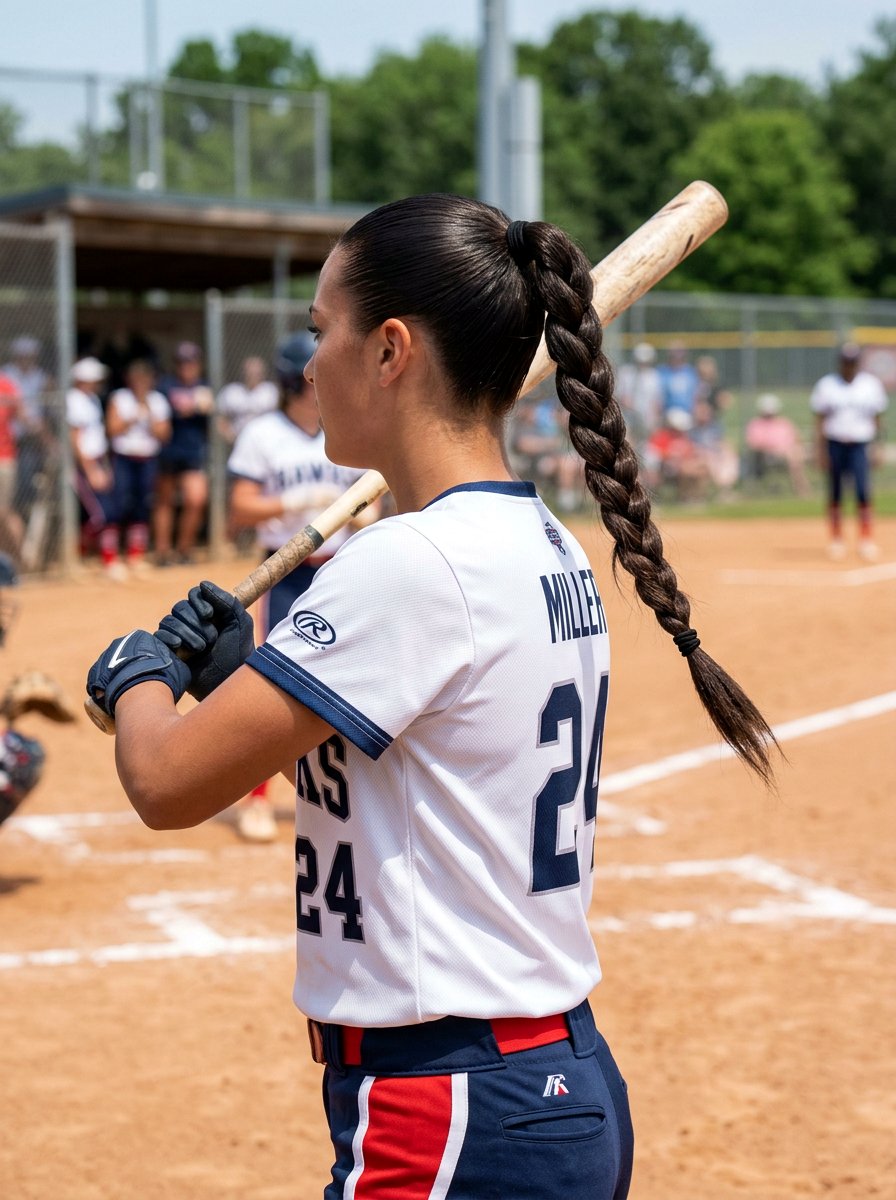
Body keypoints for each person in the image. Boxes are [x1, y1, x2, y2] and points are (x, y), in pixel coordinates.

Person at [87, 194, 775, 1200]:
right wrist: (249, 666)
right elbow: (407, 753)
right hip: (534, 1081)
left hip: (450, 1108)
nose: (309, 362)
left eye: (324, 333)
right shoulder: (536, 540)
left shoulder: (406, 564)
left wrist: (137, 676)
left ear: (390, 351)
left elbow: (163, 780)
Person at [225, 332, 378, 842]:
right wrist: (290, 504)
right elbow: (239, 507)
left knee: (356, 680)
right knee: (273, 685)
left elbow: (373, 498)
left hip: (343, 568)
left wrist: (364, 518)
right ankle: (259, 799)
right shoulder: (262, 433)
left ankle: (357, 795)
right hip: (285, 570)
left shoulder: (346, 429)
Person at [810, 342, 889, 560]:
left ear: (858, 363)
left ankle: (865, 540)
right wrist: (819, 450)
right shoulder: (827, 385)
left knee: (863, 492)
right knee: (835, 493)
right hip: (834, 443)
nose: (849, 367)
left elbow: (877, 418)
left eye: (853, 362)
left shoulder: (870, 385)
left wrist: (879, 445)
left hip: (860, 444)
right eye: (846, 362)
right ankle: (837, 540)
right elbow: (819, 420)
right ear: (840, 363)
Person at [105, 359, 172, 576]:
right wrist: (133, 417)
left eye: (145, 379)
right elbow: (112, 429)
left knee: (142, 505)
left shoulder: (157, 401)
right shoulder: (120, 398)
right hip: (123, 458)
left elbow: (164, 434)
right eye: (137, 379)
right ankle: (111, 558)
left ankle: (136, 555)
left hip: (147, 459)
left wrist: (149, 414)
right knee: (119, 503)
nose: (141, 383)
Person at [153, 342, 214, 566]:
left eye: (191, 362)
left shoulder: (204, 385)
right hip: (168, 450)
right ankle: (162, 552)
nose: (186, 367)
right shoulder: (165, 386)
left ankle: (184, 550)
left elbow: (208, 412)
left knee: (196, 499)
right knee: (165, 501)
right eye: (182, 362)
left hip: (193, 451)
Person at [66, 357, 123, 579]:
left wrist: (104, 467)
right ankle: (79, 558)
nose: (98, 381)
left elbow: (97, 437)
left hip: (98, 460)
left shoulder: (92, 399)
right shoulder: (74, 399)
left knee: (109, 511)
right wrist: (90, 469)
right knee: (101, 515)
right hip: (83, 464)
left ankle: (102, 559)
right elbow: (75, 438)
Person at [744, 393, 808, 496]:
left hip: (788, 453)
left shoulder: (784, 423)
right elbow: (753, 444)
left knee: (795, 454)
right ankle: (802, 489)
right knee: (793, 456)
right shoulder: (756, 424)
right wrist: (773, 449)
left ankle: (801, 489)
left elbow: (796, 438)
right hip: (767, 456)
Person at [614, 341, 663, 462]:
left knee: (645, 448)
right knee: (628, 444)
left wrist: (653, 421)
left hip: (645, 419)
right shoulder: (626, 373)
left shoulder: (654, 377)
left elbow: (656, 402)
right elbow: (620, 396)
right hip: (628, 418)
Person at [216, 355, 279, 445]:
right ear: (243, 372)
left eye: (256, 372)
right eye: (250, 372)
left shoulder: (271, 392)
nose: (252, 375)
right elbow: (221, 419)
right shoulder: (232, 392)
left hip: (266, 442)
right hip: (238, 442)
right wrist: (230, 437)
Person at [657, 340, 700, 420]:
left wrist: (695, 411)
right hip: (667, 413)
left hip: (687, 412)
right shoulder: (662, 372)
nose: (677, 357)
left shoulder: (690, 373)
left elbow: (695, 395)